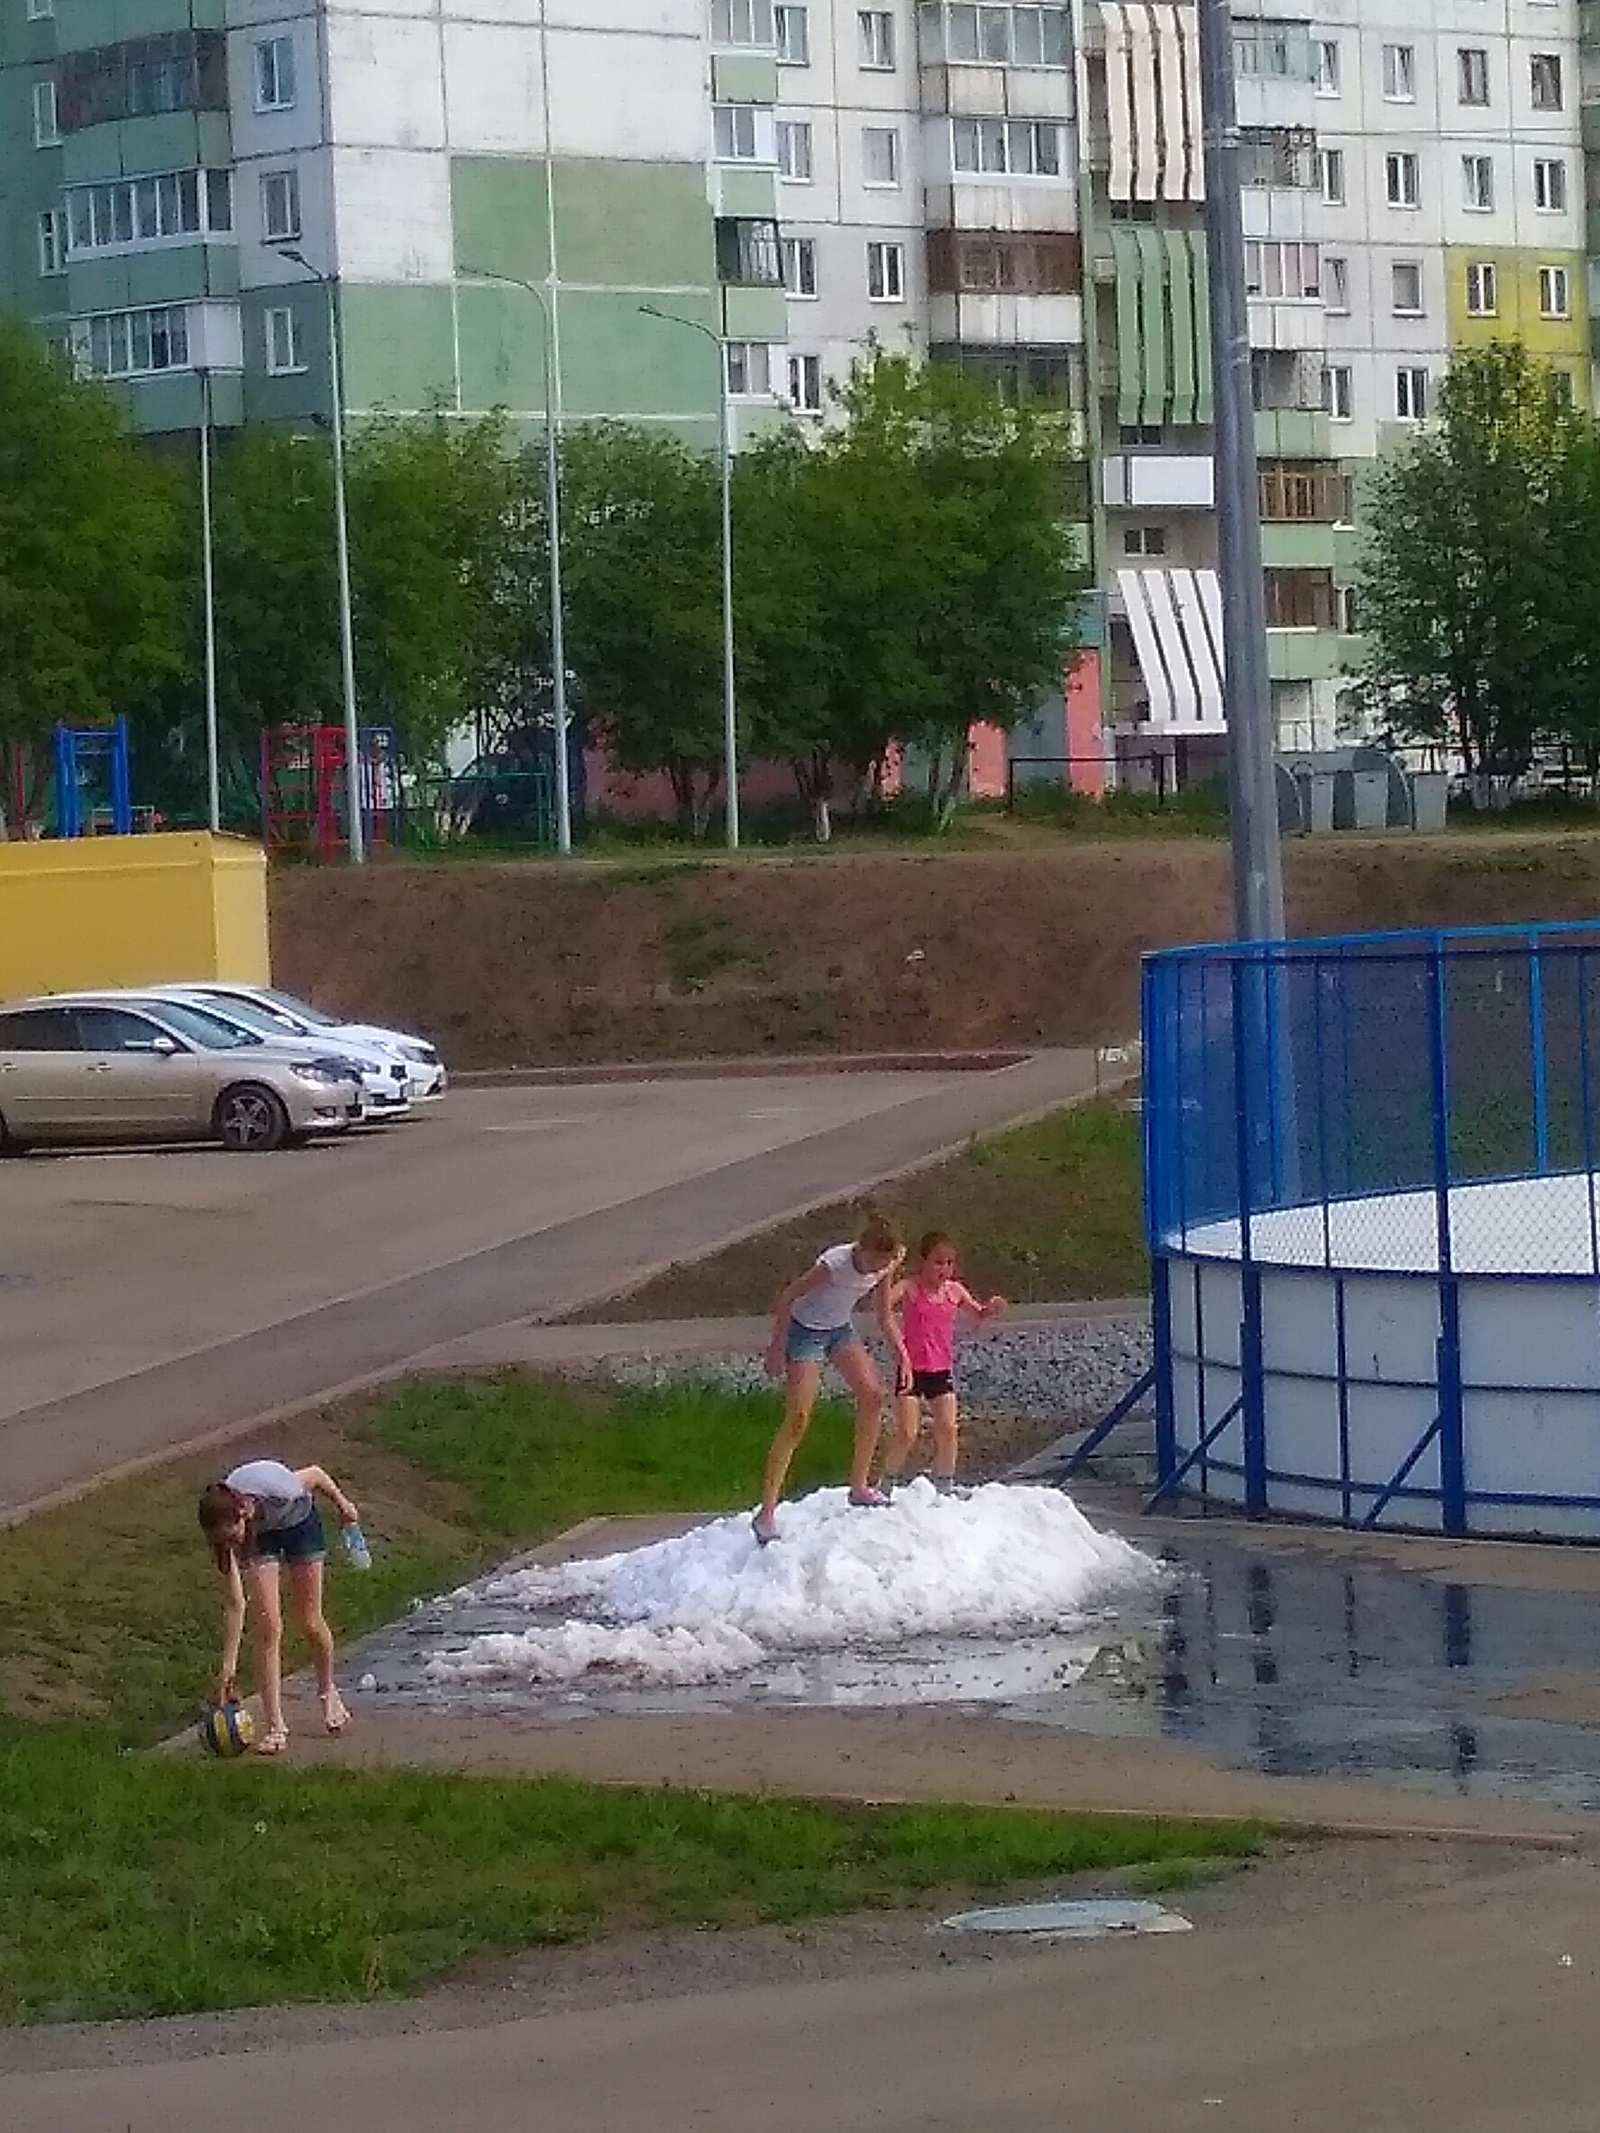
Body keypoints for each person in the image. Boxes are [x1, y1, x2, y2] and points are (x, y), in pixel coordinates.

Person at [754, 1213, 909, 1545]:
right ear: (861, 1249)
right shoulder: (834, 1264)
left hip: (838, 1328)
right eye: (872, 1261)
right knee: (798, 1417)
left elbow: (883, 1313)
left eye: (883, 1264)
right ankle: (766, 1513)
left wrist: (902, 1355)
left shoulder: (887, 1263)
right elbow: (788, 1296)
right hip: (804, 1330)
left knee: (873, 1396)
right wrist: (776, 1346)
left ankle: (859, 1486)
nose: (874, 1269)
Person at [197, 1457, 359, 1755]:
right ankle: (276, 1726)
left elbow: (317, 1474)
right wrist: (227, 1669)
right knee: (268, 1625)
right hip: (262, 1538)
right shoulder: (225, 1531)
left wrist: (343, 1505)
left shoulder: (280, 1489)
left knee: (309, 1620)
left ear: (242, 1514)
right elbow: (235, 1604)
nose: (230, 1546)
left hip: (300, 1523)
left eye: (232, 1538)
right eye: (224, 1543)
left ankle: (327, 1691)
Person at [878, 1231, 1005, 1495]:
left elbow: (977, 1314)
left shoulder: (954, 1291)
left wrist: (990, 1309)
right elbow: (882, 1305)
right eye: (938, 1262)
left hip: (940, 1368)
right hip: (911, 1368)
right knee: (907, 1432)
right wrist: (890, 1271)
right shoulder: (910, 1288)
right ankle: (886, 1483)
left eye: (949, 1263)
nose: (944, 1269)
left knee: (948, 1428)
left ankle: (945, 1483)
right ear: (923, 1262)